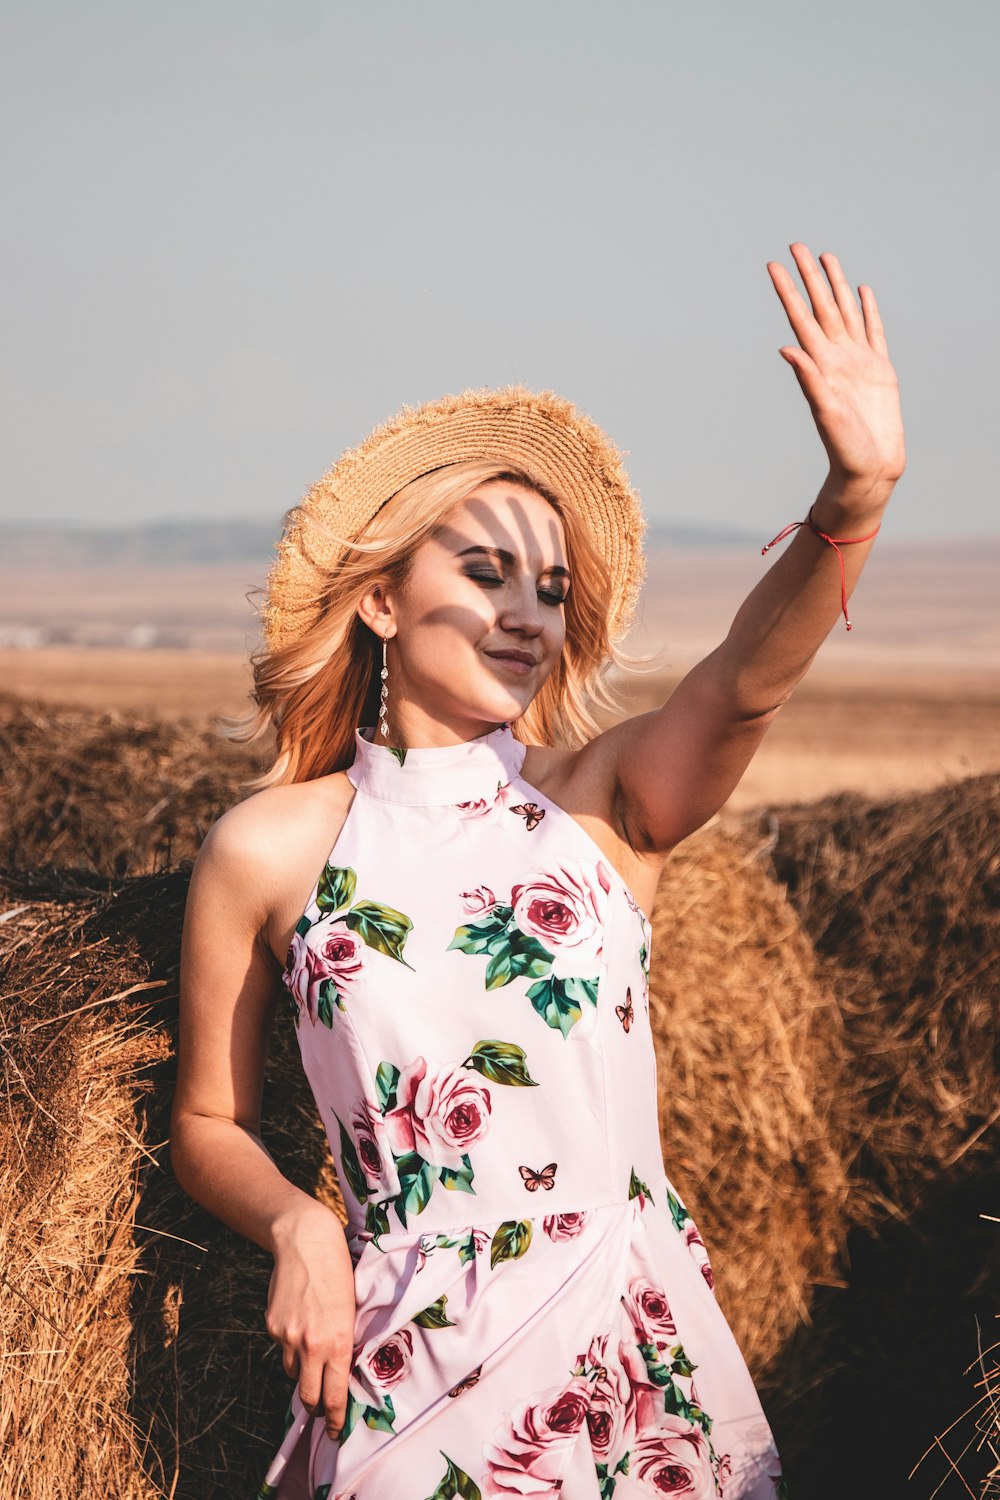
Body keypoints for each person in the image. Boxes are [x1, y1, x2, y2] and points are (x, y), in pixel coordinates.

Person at [171, 242, 904, 1499]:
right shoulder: (272, 847)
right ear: (384, 601)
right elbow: (208, 1122)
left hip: (630, 1363)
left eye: (553, 591)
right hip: (406, 1368)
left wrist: (856, 497)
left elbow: (746, 679)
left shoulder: (601, 807)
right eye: (485, 571)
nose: (528, 613)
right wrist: (297, 1223)